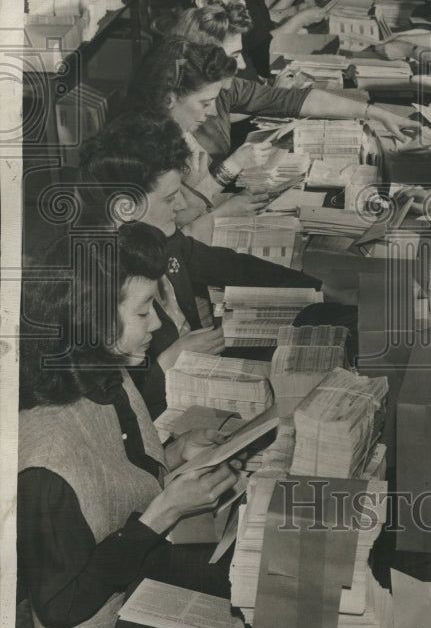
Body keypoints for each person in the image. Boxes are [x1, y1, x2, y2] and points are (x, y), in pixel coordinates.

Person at [17, 222, 239, 628]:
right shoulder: (43, 462)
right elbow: (61, 609)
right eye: (142, 312)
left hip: (140, 574)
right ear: (93, 323)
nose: (156, 324)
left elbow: (109, 475)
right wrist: (166, 511)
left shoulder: (105, 373)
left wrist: (176, 451)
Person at [78, 113, 321, 417]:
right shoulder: (90, 284)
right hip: (161, 409)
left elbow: (234, 267)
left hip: (201, 374)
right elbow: (102, 407)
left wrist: (318, 286)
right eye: (169, 199)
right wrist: (169, 362)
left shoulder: (159, 237)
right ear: (125, 208)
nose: (181, 206)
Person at [188, 0, 424, 153]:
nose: (240, 10)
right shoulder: (189, 59)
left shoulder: (228, 38)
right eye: (230, 4)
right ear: (201, 3)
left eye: (242, 2)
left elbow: (291, 99)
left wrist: (376, 113)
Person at [125, 36, 278, 237]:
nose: (213, 112)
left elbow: (196, 203)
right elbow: (165, 239)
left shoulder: (180, 134)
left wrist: (237, 202)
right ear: (169, 98)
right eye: (205, 103)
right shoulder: (142, 149)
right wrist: (224, 212)